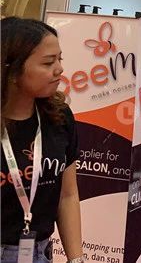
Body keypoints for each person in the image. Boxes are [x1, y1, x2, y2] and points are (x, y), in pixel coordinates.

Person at [1, 18, 83, 263]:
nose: (59, 69)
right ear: (12, 71)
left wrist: (76, 259)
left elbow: (67, 196)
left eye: (60, 59)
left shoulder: (59, 117)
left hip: (39, 253)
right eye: (48, 62)